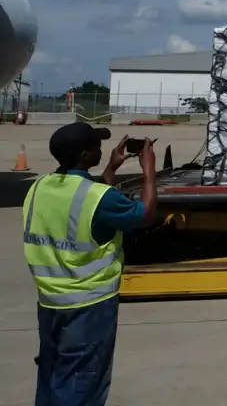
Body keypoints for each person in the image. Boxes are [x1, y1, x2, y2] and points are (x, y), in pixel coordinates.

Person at [22, 124, 157, 406]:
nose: (101, 149)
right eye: (97, 146)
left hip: (50, 302)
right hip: (88, 306)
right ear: (85, 155)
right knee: (80, 384)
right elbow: (144, 213)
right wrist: (148, 170)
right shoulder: (98, 197)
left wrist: (111, 169)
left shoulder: (39, 187)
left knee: (52, 373)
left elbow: (87, 206)